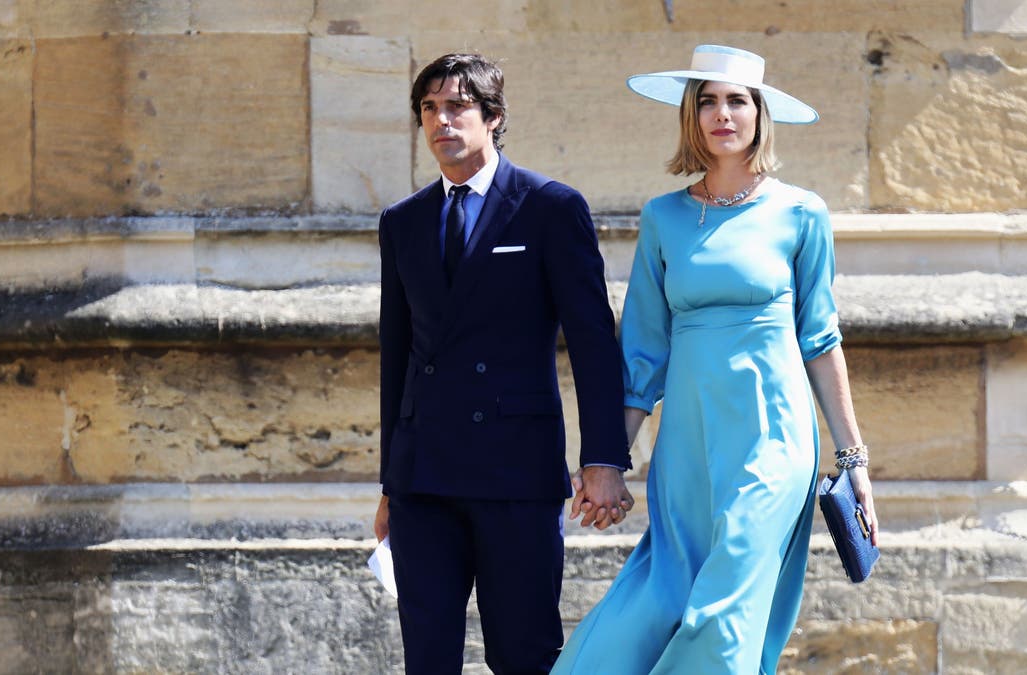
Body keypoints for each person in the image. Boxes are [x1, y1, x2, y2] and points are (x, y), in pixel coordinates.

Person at [553, 45, 878, 674]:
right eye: (707, 101)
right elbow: (643, 354)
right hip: (690, 441)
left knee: (727, 601)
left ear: (760, 114)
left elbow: (821, 339)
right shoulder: (664, 217)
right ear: (690, 115)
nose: (721, 113)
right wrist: (607, 463)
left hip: (775, 432)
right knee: (665, 593)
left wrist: (854, 460)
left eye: (737, 101)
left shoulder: (801, 212)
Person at [373, 52, 635, 674]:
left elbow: (593, 339)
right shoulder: (402, 223)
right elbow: (397, 357)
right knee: (427, 661)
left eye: (458, 106)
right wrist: (390, 482)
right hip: (423, 479)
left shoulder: (549, 206)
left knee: (524, 655)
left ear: (492, 117)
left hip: (515, 474)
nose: (442, 121)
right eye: (430, 109)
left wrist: (602, 460)